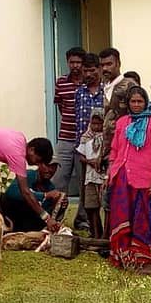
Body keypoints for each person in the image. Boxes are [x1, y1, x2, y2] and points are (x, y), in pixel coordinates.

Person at [107, 86, 151, 273]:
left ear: (145, 102)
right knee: (121, 215)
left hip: (145, 178)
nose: (136, 105)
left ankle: (144, 261)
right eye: (133, 101)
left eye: (139, 101)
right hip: (122, 177)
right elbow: (114, 150)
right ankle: (124, 258)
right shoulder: (122, 122)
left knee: (143, 218)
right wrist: (110, 173)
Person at [73, 53, 104, 229]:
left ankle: (107, 230)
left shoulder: (107, 92)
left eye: (92, 70)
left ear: (99, 69)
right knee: (86, 189)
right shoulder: (79, 93)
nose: (88, 74)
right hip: (84, 149)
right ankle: (93, 228)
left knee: (104, 190)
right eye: (86, 71)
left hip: (104, 151)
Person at [51, 47, 86, 199]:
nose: (75, 66)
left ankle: (83, 214)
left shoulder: (89, 83)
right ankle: (56, 211)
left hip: (84, 140)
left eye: (78, 62)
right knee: (58, 179)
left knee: (83, 182)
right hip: (65, 138)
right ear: (67, 62)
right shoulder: (61, 82)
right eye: (72, 62)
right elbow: (61, 106)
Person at [0, 160, 68, 232]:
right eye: (47, 165)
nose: (50, 170)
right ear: (39, 164)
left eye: (53, 167)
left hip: (28, 224)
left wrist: (60, 205)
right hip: (11, 217)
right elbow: (11, 192)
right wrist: (44, 195)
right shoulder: (29, 174)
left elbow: (45, 214)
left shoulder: (50, 187)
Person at [76, 109, 106, 239]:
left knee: (106, 206)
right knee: (91, 207)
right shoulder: (86, 137)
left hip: (104, 177)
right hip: (90, 177)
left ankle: (106, 234)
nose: (96, 127)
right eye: (94, 124)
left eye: (99, 124)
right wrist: (90, 161)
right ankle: (95, 233)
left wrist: (100, 161)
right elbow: (81, 156)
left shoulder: (108, 138)